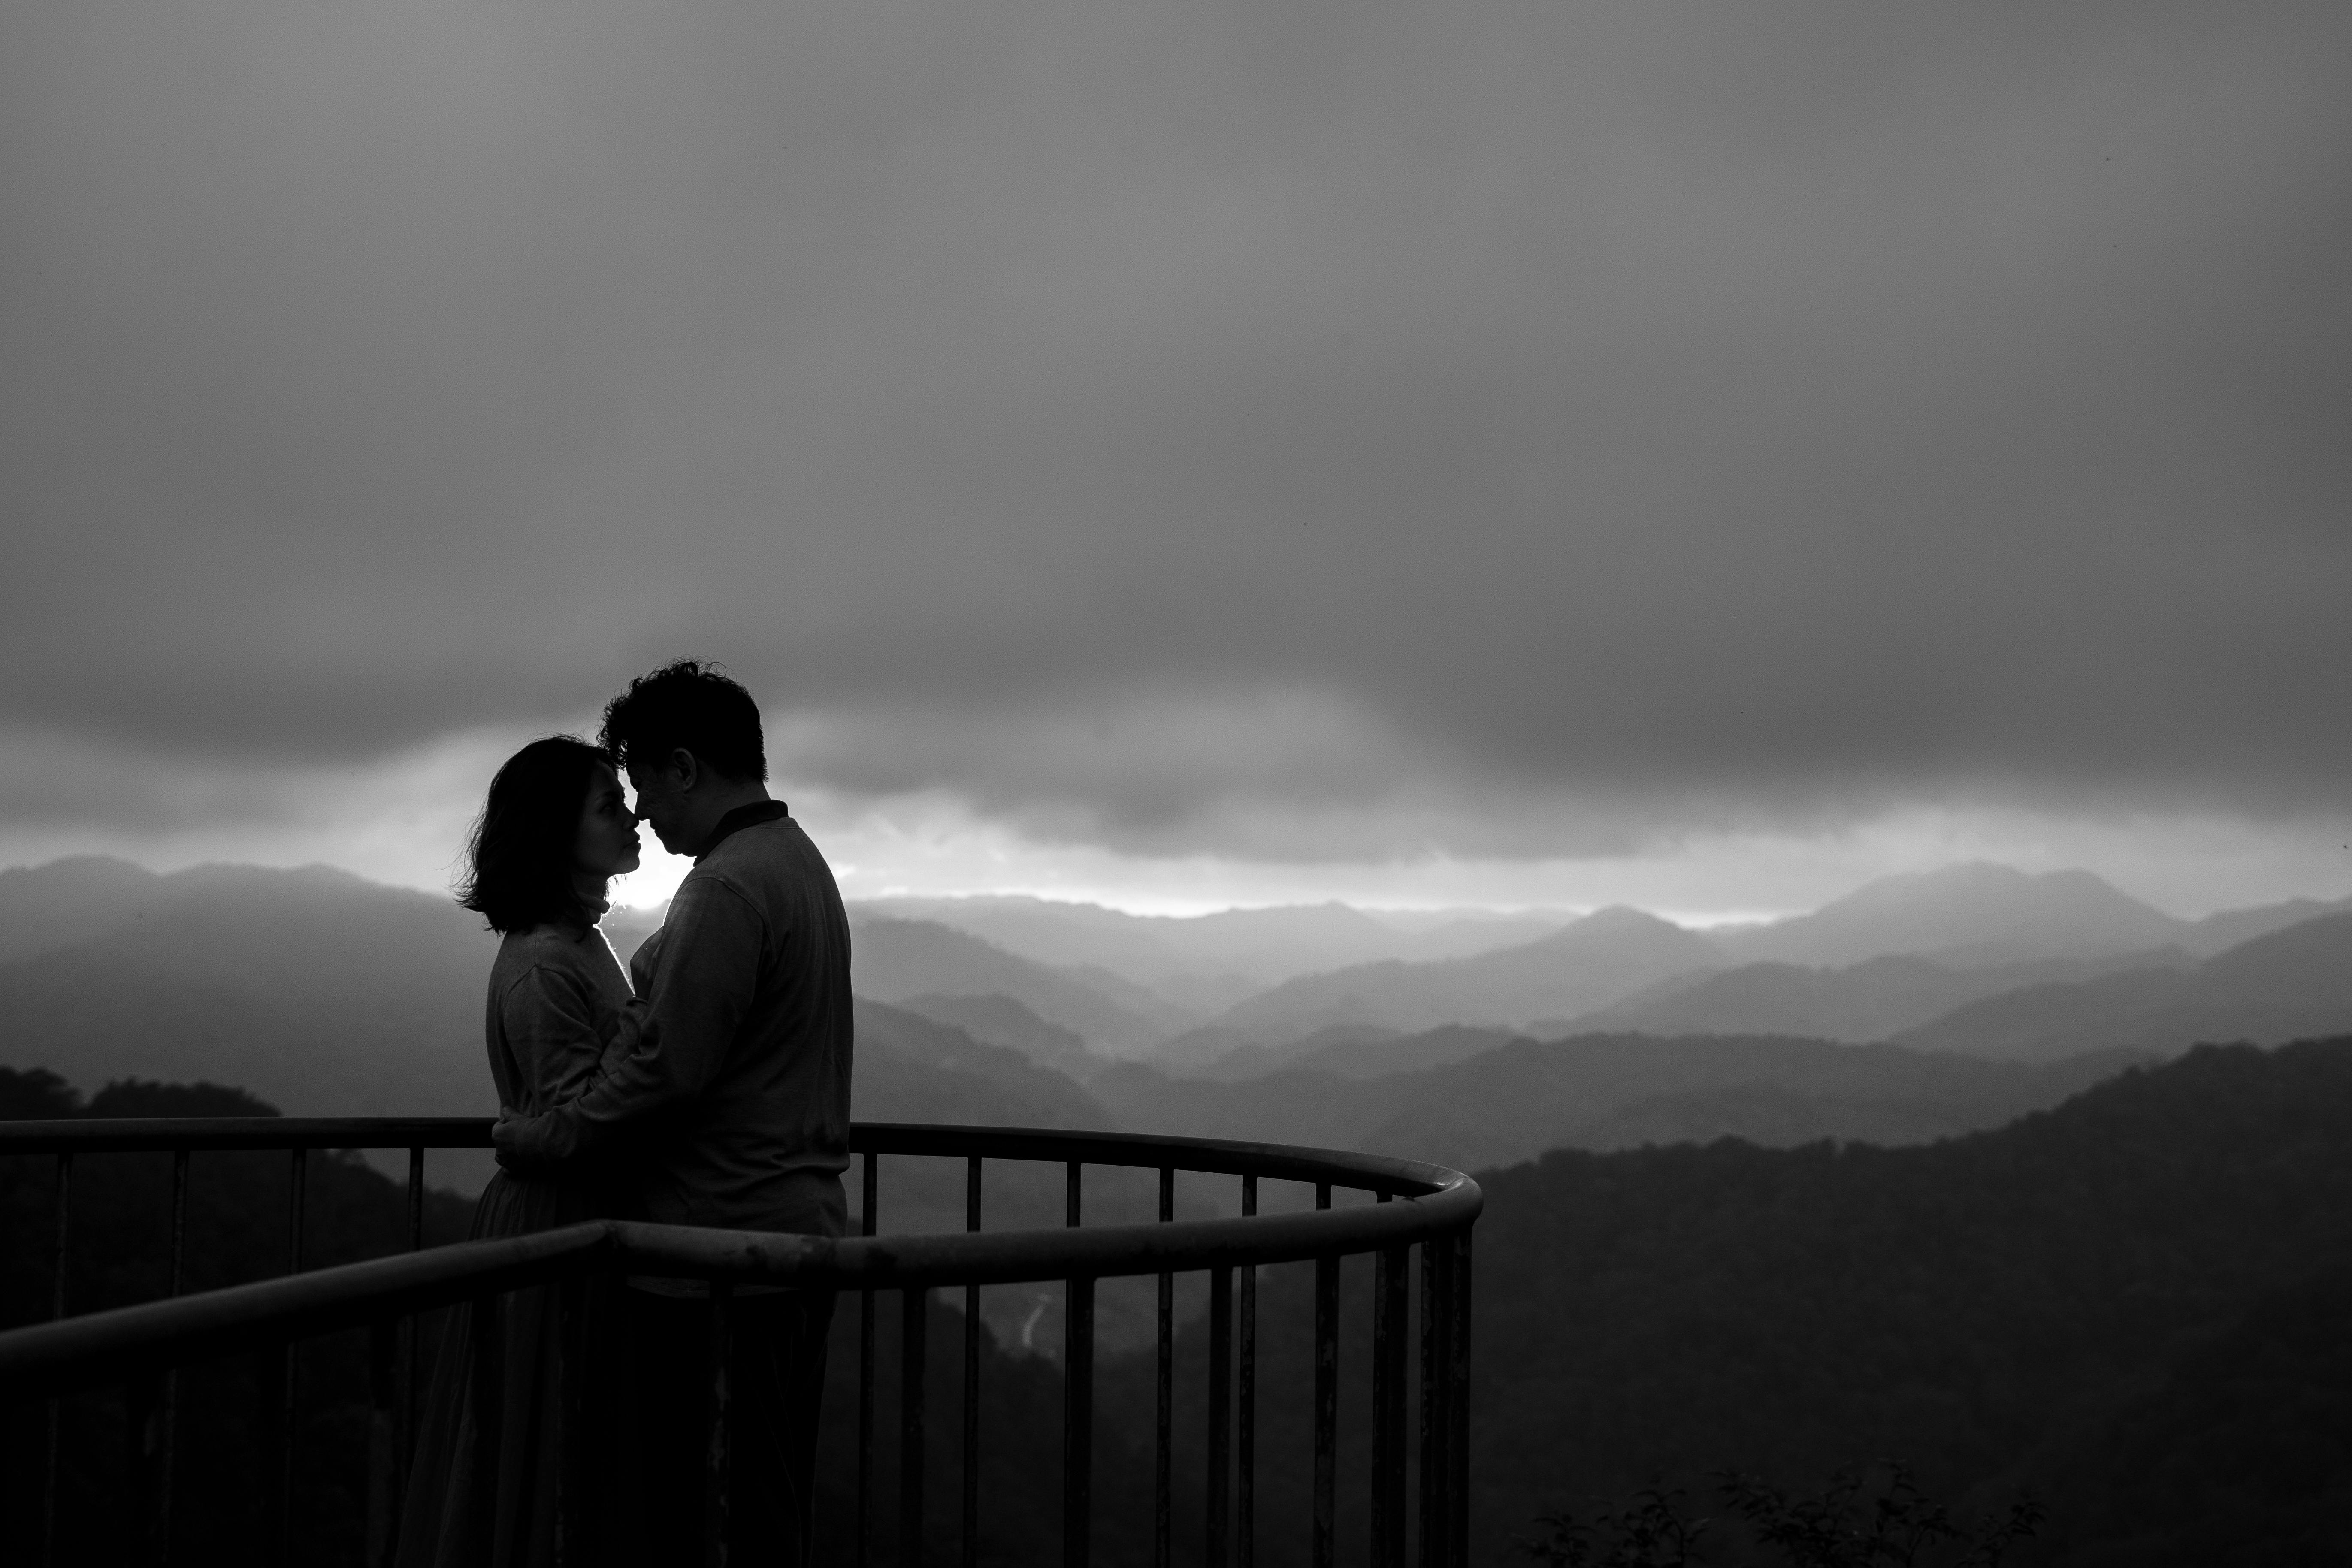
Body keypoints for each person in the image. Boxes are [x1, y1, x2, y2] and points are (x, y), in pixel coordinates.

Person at [493, 659, 855, 1567]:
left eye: (645, 784)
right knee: (760, 1500)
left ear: (685, 767)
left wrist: (541, 1135)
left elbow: (663, 1072)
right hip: (787, 1236)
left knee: (710, 1518)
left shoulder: (727, 888)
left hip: (717, 1251)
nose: (644, 812)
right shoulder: (796, 861)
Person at [398, 735, 643, 1567]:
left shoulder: (575, 941)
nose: (631, 814)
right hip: (556, 1227)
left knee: (559, 1447)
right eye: (608, 804)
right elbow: (575, 1124)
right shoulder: (546, 961)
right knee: (541, 1454)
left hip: (572, 1222)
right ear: (554, 828)